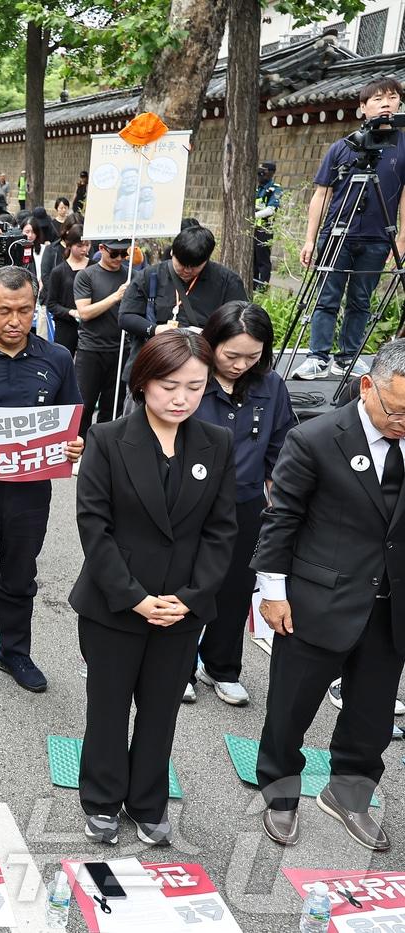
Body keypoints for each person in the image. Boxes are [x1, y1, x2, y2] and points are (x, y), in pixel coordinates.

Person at [69, 330, 236, 846]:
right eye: (168, 386)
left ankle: (147, 800)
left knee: (161, 710)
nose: (181, 398)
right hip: (116, 604)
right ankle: (101, 798)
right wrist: (136, 597)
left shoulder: (217, 442)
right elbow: (93, 528)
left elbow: (222, 530)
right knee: (109, 705)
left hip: (182, 608)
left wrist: (188, 599)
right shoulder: (107, 439)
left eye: (194, 386)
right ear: (142, 383)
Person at [254, 338, 405, 852]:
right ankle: (280, 795)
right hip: (317, 601)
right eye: (397, 410)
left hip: (391, 608)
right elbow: (282, 520)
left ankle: (349, 795)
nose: (403, 422)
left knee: (372, 718)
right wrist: (273, 591)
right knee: (290, 709)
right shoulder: (315, 438)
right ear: (367, 387)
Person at [0, 267, 84, 695]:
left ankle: (14, 651)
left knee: (20, 574)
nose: (14, 321)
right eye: (4, 311)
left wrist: (73, 445)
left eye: (25, 310)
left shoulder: (57, 359)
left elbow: (72, 420)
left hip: (30, 493)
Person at [183, 302, 293, 706]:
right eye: (232, 355)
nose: (241, 365)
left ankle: (222, 667)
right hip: (190, 501)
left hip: (245, 504)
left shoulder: (271, 386)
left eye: (253, 356)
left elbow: (281, 447)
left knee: (235, 589)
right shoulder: (189, 378)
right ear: (212, 344)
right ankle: (179, 667)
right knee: (187, 583)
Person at [292, 78, 405, 380]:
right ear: (362, 108)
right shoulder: (343, 147)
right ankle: (318, 356)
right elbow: (322, 194)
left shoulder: (403, 147)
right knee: (327, 297)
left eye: (392, 98)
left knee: (360, 300)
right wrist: (309, 239)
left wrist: (402, 239)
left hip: (378, 237)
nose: (386, 104)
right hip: (337, 233)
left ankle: (348, 358)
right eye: (378, 99)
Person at [118, 225, 248, 366]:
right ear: (173, 252)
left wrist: (209, 334)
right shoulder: (149, 275)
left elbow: (240, 322)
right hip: (154, 361)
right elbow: (126, 317)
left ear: (206, 259)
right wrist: (155, 329)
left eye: (194, 266)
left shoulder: (227, 281)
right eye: (181, 264)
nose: (187, 270)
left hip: (202, 363)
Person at [73, 238, 131, 435]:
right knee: (84, 405)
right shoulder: (86, 275)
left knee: (113, 406)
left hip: (121, 349)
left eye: (124, 254)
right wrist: (116, 296)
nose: (119, 258)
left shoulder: (131, 276)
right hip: (91, 350)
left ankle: (104, 450)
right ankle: (78, 448)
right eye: (114, 253)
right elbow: (84, 312)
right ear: (102, 249)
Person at [41, 224, 86, 359]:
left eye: (87, 245)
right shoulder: (59, 271)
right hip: (66, 326)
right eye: (79, 246)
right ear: (69, 245)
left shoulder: (93, 267)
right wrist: (71, 312)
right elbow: (52, 304)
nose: (84, 249)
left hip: (90, 329)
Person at [253, 162, 283, 289]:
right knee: (253, 260)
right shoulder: (257, 188)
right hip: (253, 229)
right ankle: (253, 286)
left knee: (262, 260)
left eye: (263, 172)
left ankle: (262, 288)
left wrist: (252, 216)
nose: (260, 175)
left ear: (271, 172)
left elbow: (271, 209)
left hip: (265, 229)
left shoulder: (275, 189)